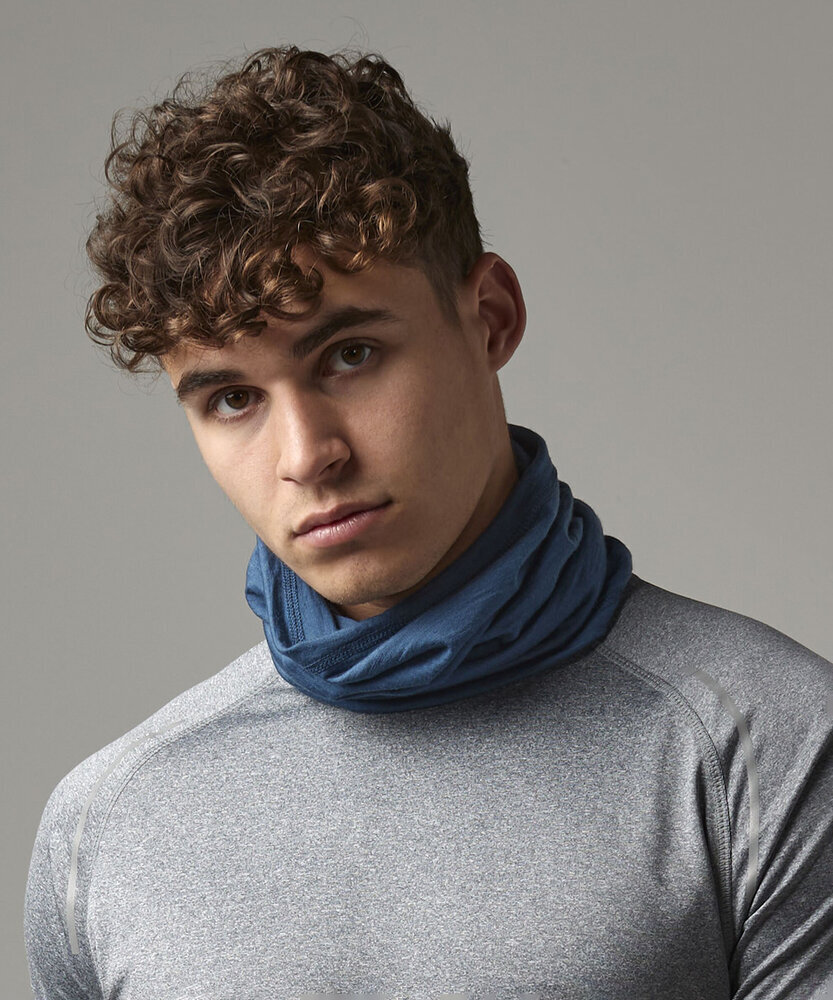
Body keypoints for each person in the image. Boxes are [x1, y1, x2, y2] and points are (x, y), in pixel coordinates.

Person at [24, 46, 832, 1000]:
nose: (306, 455)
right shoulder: (108, 823)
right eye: (232, 399)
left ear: (489, 317)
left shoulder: (770, 748)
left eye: (350, 355)